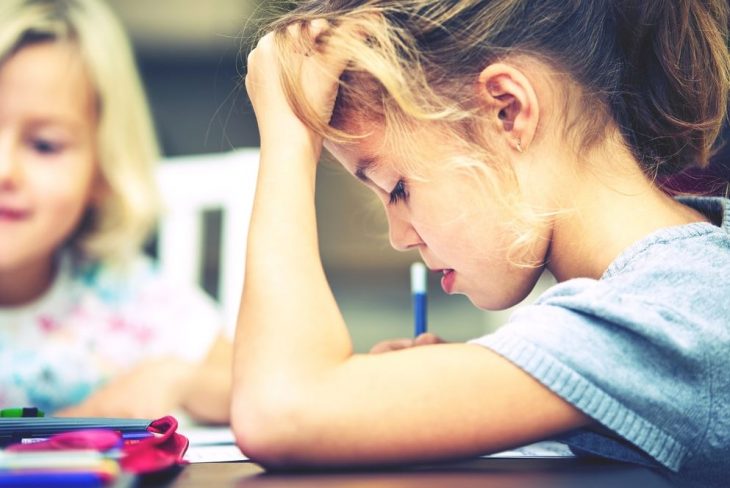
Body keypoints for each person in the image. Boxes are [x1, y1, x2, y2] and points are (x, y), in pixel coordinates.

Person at [235, 0, 730, 485]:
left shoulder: (674, 315)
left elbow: (282, 407)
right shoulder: (665, 297)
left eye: (398, 188)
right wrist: (452, 386)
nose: (399, 236)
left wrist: (289, 137)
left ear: (506, 112)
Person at [0, 0, 231, 423]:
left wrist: (178, 380)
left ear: (103, 172)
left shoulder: (125, 297)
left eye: (44, 145)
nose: (4, 170)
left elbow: (255, 387)